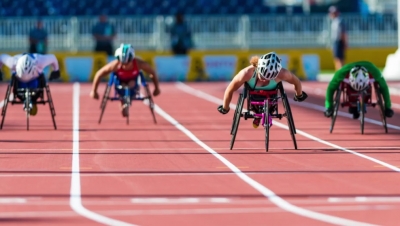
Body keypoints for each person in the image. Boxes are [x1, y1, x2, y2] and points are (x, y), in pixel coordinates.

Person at [217, 52, 308, 128]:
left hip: (272, 99)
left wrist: (299, 95)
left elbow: (296, 82)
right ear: (258, 68)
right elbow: (230, 89)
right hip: (253, 98)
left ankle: (264, 114)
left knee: (272, 102)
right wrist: (225, 107)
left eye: (268, 78)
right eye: (262, 76)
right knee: (255, 104)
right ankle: (257, 114)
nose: (264, 80)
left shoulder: (282, 73)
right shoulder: (246, 73)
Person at [90, 43, 161, 117]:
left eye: (127, 64)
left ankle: (126, 103)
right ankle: (124, 102)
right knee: (123, 85)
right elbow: (99, 74)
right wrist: (94, 91)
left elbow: (152, 72)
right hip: (120, 84)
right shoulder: (115, 65)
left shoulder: (139, 63)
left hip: (133, 85)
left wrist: (156, 88)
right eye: (122, 63)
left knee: (131, 83)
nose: (124, 66)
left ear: (132, 59)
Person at [324, 61, 394, 119]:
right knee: (340, 87)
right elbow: (331, 89)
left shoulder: (374, 71)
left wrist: (388, 107)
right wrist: (329, 106)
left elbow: (384, 87)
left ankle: (358, 105)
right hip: (350, 89)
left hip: (367, 87)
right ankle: (353, 107)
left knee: (380, 86)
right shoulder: (341, 73)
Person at [328, 6, 347, 70]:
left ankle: (340, 73)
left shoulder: (339, 21)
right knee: (337, 58)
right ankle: (339, 72)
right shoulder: (334, 21)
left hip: (339, 41)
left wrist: (344, 43)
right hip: (336, 42)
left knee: (339, 59)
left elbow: (343, 33)